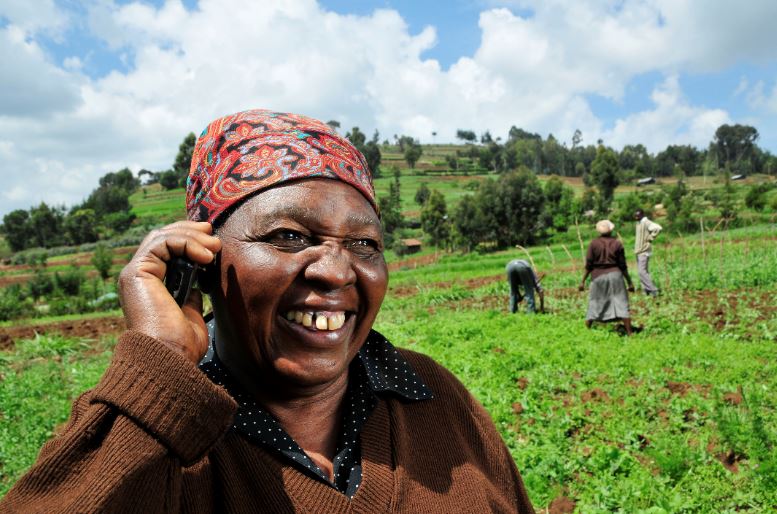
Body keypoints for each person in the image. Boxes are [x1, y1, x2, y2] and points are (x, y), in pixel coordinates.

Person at [1, 109, 534, 513]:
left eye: (365, 244)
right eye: (288, 236)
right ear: (201, 261)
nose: (337, 270)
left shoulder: (434, 397)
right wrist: (158, 372)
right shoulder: (155, 440)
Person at [579, 220, 637, 335]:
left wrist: (582, 281)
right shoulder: (617, 243)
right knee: (621, 302)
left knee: (595, 302)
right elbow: (622, 265)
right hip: (616, 275)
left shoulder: (593, 244)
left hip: (598, 276)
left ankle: (586, 331)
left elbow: (588, 265)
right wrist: (629, 282)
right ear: (611, 230)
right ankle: (630, 332)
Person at [634, 208, 662, 297]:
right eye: (635, 215)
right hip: (639, 251)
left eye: (638, 215)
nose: (636, 217)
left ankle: (653, 289)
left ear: (642, 215)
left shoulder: (646, 222)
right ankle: (645, 290)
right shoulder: (639, 223)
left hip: (644, 251)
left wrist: (650, 237)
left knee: (641, 272)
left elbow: (658, 228)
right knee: (643, 271)